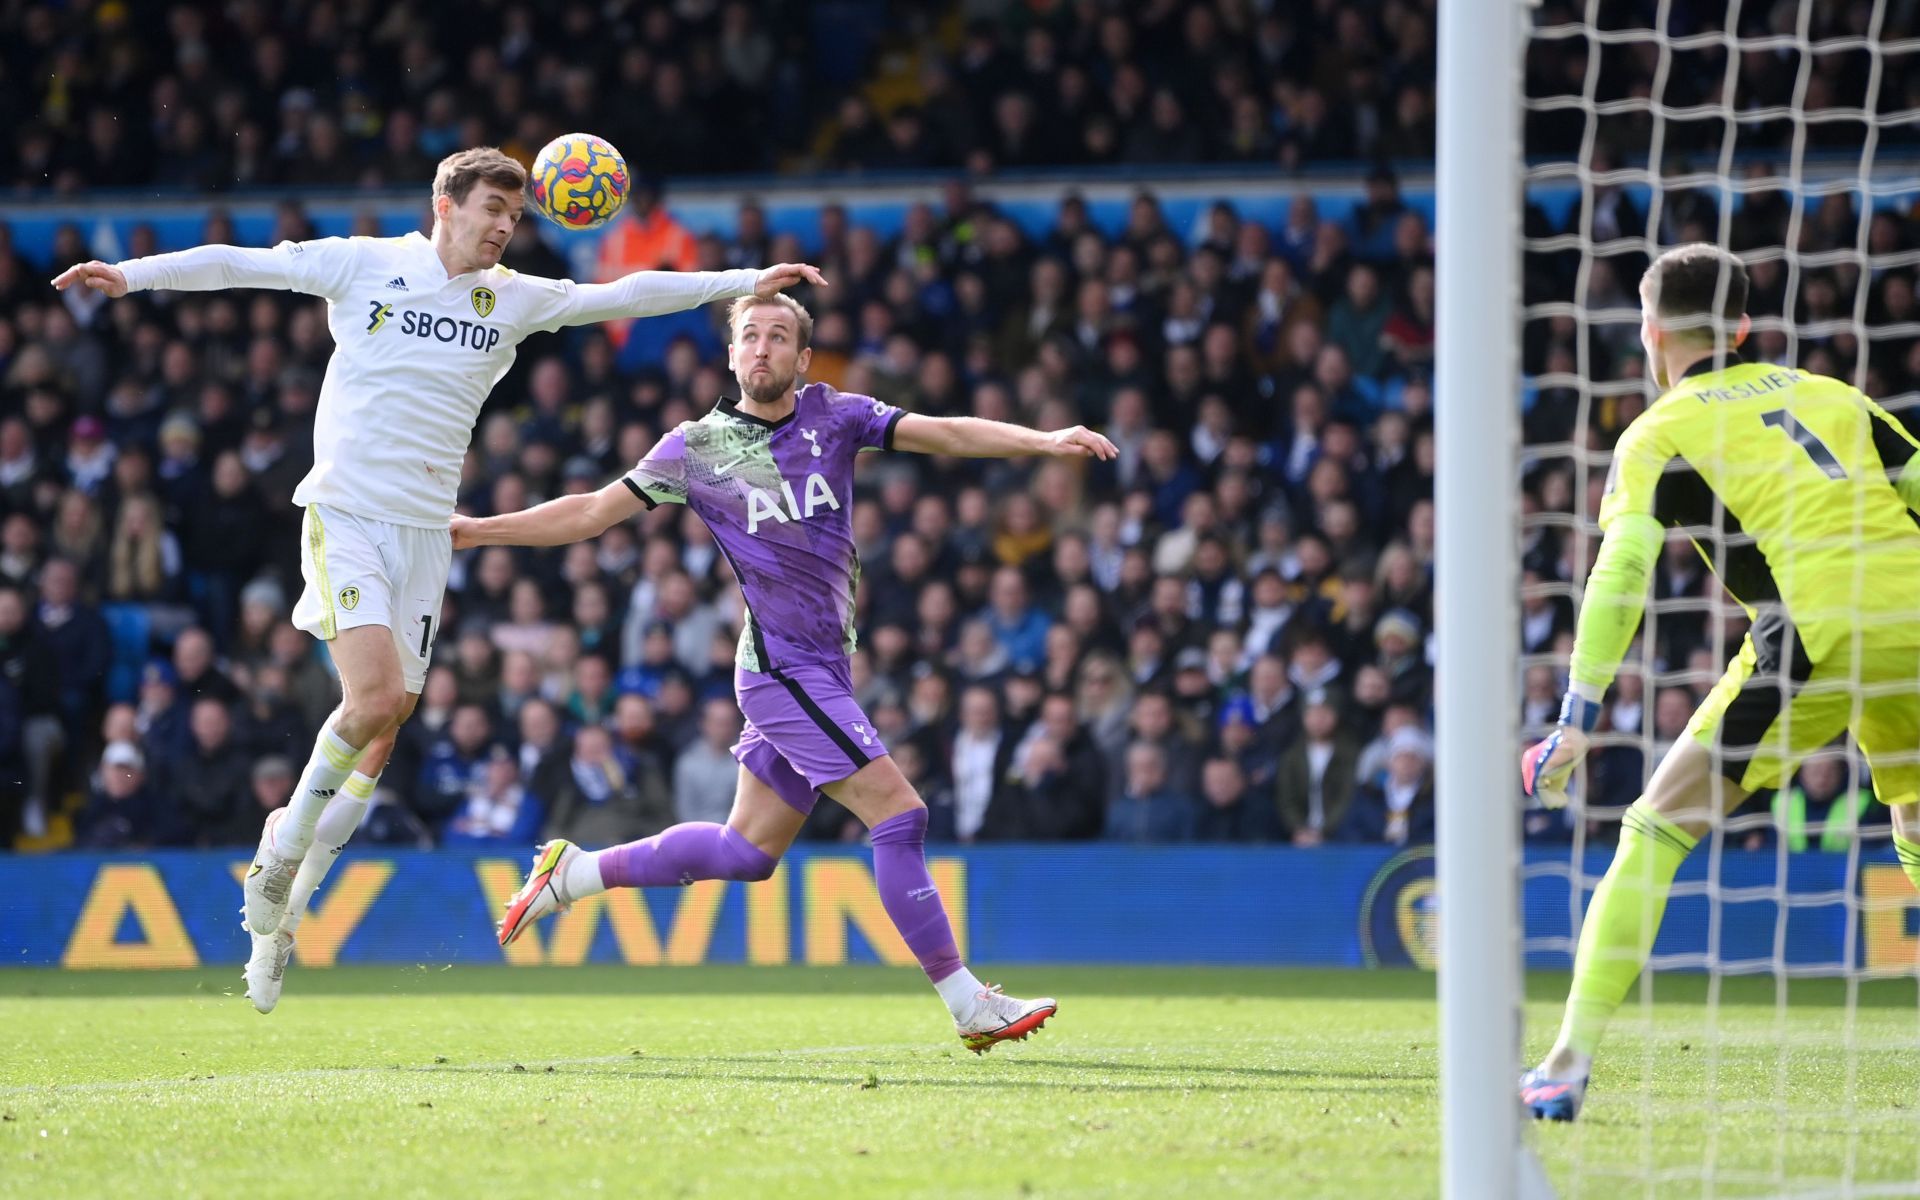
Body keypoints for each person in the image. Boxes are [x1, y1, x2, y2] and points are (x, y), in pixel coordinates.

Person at [53, 145, 824, 1014]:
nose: (503, 227)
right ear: (445, 204)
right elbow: (243, 265)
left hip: (426, 534)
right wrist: (130, 273)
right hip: (345, 514)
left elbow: (627, 294)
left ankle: (281, 917)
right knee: (374, 698)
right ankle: (279, 855)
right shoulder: (365, 262)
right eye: (492, 209)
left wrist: (742, 280)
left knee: (381, 732)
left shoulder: (514, 299)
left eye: (515, 216)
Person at [459, 292, 1117, 1052]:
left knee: (747, 853)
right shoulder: (696, 448)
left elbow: (941, 433)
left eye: (780, 337)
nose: (763, 348)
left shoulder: (835, 415)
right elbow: (588, 513)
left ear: (803, 360)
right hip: (780, 671)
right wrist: (480, 530)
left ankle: (571, 874)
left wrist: (1042, 441)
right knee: (900, 815)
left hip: (823, 669)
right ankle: (968, 1002)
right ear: (733, 355)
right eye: (750, 336)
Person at [1518, 244, 1920, 1122]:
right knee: (1916, 822)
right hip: (1916, 616)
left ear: (1648, 329)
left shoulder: (1657, 431)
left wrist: (1578, 714)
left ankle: (1564, 1063)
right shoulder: (1834, 396)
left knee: (1654, 829)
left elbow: (1621, 570)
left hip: (1814, 631)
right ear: (1743, 326)